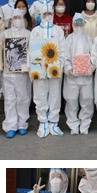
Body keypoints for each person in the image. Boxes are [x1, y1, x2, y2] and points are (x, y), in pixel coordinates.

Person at [30, 7, 66, 138]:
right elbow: (31, 49)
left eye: (49, 13)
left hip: (55, 68)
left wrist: (60, 64)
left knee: (55, 95)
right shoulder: (35, 31)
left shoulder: (58, 30)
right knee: (40, 94)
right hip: (39, 68)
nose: (47, 16)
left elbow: (62, 48)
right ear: (40, 15)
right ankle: (43, 122)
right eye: (44, 14)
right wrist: (32, 66)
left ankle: (53, 122)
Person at [0, 8, 31, 138]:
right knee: (10, 99)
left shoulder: (29, 34)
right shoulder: (4, 34)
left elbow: (32, 51)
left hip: (23, 73)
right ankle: (10, 126)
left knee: (23, 98)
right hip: (8, 73)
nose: (17, 20)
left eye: (19, 18)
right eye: (15, 18)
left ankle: (22, 124)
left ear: (23, 19)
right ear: (11, 20)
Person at [63, 14, 94, 135]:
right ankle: (73, 124)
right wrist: (69, 69)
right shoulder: (69, 39)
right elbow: (65, 57)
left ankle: (85, 124)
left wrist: (91, 68)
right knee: (71, 101)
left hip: (86, 78)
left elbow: (93, 56)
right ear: (73, 24)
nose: (79, 26)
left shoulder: (89, 39)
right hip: (72, 78)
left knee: (87, 100)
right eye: (77, 24)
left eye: (81, 24)